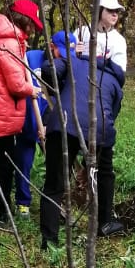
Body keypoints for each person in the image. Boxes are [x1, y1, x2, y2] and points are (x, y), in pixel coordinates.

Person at [40, 30, 125, 248]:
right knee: (104, 173)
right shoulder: (114, 79)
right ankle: (105, 223)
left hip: (63, 124)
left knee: (55, 182)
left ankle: (49, 240)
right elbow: (113, 113)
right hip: (99, 130)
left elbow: (49, 71)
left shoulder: (71, 62)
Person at [0, 0, 43, 225]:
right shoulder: (9, 42)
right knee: (4, 165)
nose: (33, 30)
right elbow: (16, 84)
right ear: (24, 21)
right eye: (32, 24)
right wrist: (33, 89)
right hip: (2, 112)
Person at [15, 42, 48, 217]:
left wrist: (48, 123)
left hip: (48, 123)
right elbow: (15, 83)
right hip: (27, 120)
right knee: (24, 162)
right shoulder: (30, 57)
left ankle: (51, 200)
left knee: (53, 164)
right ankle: (23, 202)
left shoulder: (68, 63)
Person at [75, 0, 127, 70]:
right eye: (110, 9)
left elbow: (119, 71)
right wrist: (73, 52)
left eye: (117, 11)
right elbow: (66, 58)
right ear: (99, 10)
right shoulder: (81, 32)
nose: (115, 14)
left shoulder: (119, 40)